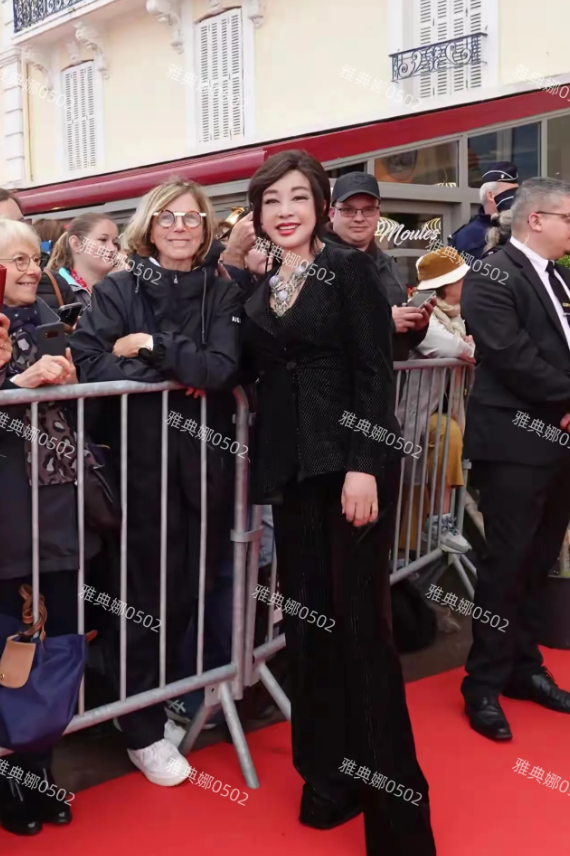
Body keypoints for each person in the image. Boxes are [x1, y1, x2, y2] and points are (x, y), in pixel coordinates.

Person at [242, 150, 435, 856]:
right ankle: (329, 781)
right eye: (271, 201)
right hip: (293, 477)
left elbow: (373, 372)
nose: (285, 211)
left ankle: (399, 824)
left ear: (322, 207)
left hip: (350, 473)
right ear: (257, 216)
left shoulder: (349, 270)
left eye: (298, 197)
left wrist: (365, 466)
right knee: (309, 632)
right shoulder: (264, 285)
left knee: (362, 636)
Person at [70, 177, 243, 787]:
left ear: (206, 228)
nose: (179, 227)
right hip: (139, 468)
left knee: (188, 594)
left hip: (205, 467)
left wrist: (148, 345)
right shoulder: (118, 288)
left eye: (191, 218)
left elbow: (221, 368)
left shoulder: (221, 290)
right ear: (148, 225)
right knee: (141, 600)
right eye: (167, 217)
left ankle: (146, 703)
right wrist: (175, 370)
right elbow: (91, 364)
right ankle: (140, 729)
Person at [0, 219, 100, 836]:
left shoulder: (48, 317)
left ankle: (37, 771)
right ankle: (8, 780)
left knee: (56, 642)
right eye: (15, 260)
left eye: (33, 257)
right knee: (8, 648)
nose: (31, 268)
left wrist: (71, 380)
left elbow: (89, 393)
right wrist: (16, 384)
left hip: (56, 508)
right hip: (6, 518)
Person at [461, 176, 570, 742]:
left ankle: (524, 667)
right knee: (505, 564)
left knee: (538, 560)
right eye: (568, 218)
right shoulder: (492, 274)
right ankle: (482, 683)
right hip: (513, 445)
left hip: (558, 444)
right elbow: (509, 354)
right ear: (536, 219)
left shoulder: (561, 278)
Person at [397, 247, 475, 554]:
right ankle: (440, 522)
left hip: (440, 410)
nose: (467, 283)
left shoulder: (455, 315)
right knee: (448, 435)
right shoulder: (422, 311)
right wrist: (468, 348)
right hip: (411, 414)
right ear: (447, 283)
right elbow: (451, 348)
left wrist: (466, 347)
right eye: (462, 278)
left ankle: (422, 541)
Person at [326, 172, 434, 361]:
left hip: (386, 378)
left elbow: (400, 343)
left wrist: (416, 328)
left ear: (378, 214)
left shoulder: (388, 265)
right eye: (348, 210)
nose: (359, 218)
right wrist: (386, 322)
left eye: (368, 209)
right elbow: (314, 332)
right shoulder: (314, 261)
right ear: (332, 214)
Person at [46, 213, 120, 311]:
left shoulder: (121, 286)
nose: (112, 248)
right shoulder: (54, 288)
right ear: (76, 244)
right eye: (103, 240)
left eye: (115, 243)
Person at [449, 162, 519, 261]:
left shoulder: (523, 228)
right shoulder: (466, 237)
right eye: (510, 193)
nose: (515, 198)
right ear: (490, 195)